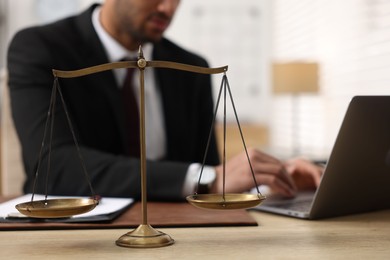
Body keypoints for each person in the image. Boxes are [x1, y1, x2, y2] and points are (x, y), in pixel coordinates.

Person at [7, 0, 322, 201]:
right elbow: (52, 167)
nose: (169, 9)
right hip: (73, 235)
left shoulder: (192, 67)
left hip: (174, 233)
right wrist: (210, 178)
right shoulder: (41, 48)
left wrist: (266, 184)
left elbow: (208, 175)